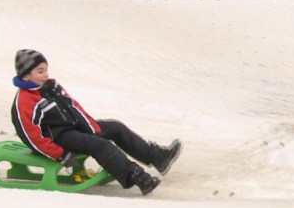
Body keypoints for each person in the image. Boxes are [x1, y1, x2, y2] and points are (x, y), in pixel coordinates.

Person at [10, 49, 181, 195]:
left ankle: (157, 157)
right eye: (40, 71)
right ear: (26, 75)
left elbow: (74, 107)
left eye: (46, 70)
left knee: (116, 127)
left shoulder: (51, 87)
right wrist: (60, 154)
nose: (46, 75)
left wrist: (91, 126)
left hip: (75, 127)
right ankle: (136, 176)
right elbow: (31, 137)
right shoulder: (25, 101)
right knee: (99, 144)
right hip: (59, 138)